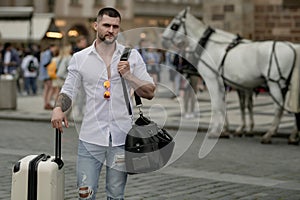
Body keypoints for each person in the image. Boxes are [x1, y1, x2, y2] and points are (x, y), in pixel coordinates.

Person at [51, 7, 155, 200]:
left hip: (121, 138)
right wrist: (58, 108)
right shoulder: (80, 58)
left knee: (116, 195)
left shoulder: (131, 56)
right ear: (96, 25)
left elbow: (150, 92)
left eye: (115, 26)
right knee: (85, 194)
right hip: (90, 137)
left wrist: (129, 76)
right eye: (106, 25)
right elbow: (68, 90)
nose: (111, 30)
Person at [39, 44, 59, 110]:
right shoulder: (48, 53)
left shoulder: (46, 53)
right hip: (47, 73)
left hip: (46, 73)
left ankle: (46, 103)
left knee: (47, 88)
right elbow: (45, 64)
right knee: (49, 88)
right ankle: (47, 103)